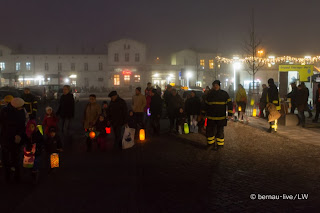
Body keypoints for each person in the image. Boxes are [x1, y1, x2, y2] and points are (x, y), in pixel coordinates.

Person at [0, 98, 26, 183]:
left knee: (7, 158)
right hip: (13, 138)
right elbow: (22, 125)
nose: (22, 108)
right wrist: (19, 135)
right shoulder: (18, 113)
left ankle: (9, 176)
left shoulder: (4, 110)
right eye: (20, 107)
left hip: (6, 138)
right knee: (15, 158)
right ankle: (15, 176)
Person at [205, 80, 233, 149]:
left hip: (221, 117)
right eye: (214, 85)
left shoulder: (224, 94)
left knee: (220, 131)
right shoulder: (209, 94)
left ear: (219, 86)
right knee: (210, 131)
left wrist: (230, 113)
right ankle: (210, 144)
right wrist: (203, 113)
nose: (215, 86)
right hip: (211, 117)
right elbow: (205, 105)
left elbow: (229, 104)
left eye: (216, 85)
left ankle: (220, 145)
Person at [25, 120, 44, 184]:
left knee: (35, 163)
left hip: (37, 152)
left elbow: (42, 141)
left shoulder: (38, 134)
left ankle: (35, 177)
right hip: (30, 153)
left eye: (32, 127)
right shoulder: (28, 134)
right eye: (30, 127)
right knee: (31, 164)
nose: (31, 128)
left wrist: (37, 146)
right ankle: (32, 175)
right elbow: (26, 142)